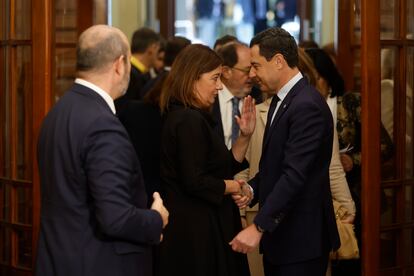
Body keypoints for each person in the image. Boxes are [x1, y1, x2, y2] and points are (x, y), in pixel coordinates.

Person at [35, 25, 169, 276]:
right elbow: (115, 218)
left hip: (59, 259)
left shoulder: (59, 110)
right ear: (120, 64)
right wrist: (155, 218)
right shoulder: (102, 124)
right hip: (99, 263)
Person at [229, 27, 340, 276]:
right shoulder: (283, 100)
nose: (253, 74)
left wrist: (257, 226)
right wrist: (252, 188)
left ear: (279, 61)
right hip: (282, 238)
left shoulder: (306, 105)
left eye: (256, 65)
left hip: (300, 240)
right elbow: (275, 165)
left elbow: (295, 175)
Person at [157, 44, 254, 276]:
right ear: (192, 78)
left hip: (203, 227)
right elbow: (195, 181)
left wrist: (244, 137)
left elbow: (220, 168)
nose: (219, 87)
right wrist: (233, 186)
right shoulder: (188, 120)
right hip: (196, 234)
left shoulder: (192, 116)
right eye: (215, 79)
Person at [214, 42, 254, 149]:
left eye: (254, 68)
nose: (252, 74)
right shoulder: (210, 99)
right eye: (247, 70)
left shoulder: (259, 98)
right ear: (226, 71)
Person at [115, 27, 162, 111]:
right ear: (152, 48)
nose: (158, 55)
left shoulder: (130, 70)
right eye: (158, 50)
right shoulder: (131, 74)